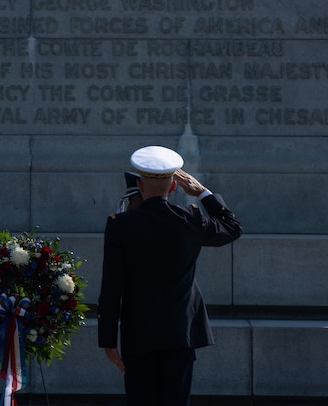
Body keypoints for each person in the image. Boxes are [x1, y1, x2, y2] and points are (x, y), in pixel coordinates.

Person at [97, 145, 242, 406]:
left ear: (139, 186)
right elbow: (232, 228)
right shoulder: (191, 219)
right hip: (181, 334)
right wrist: (203, 193)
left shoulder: (121, 226)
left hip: (138, 336)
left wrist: (108, 341)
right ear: (174, 187)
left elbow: (111, 287)